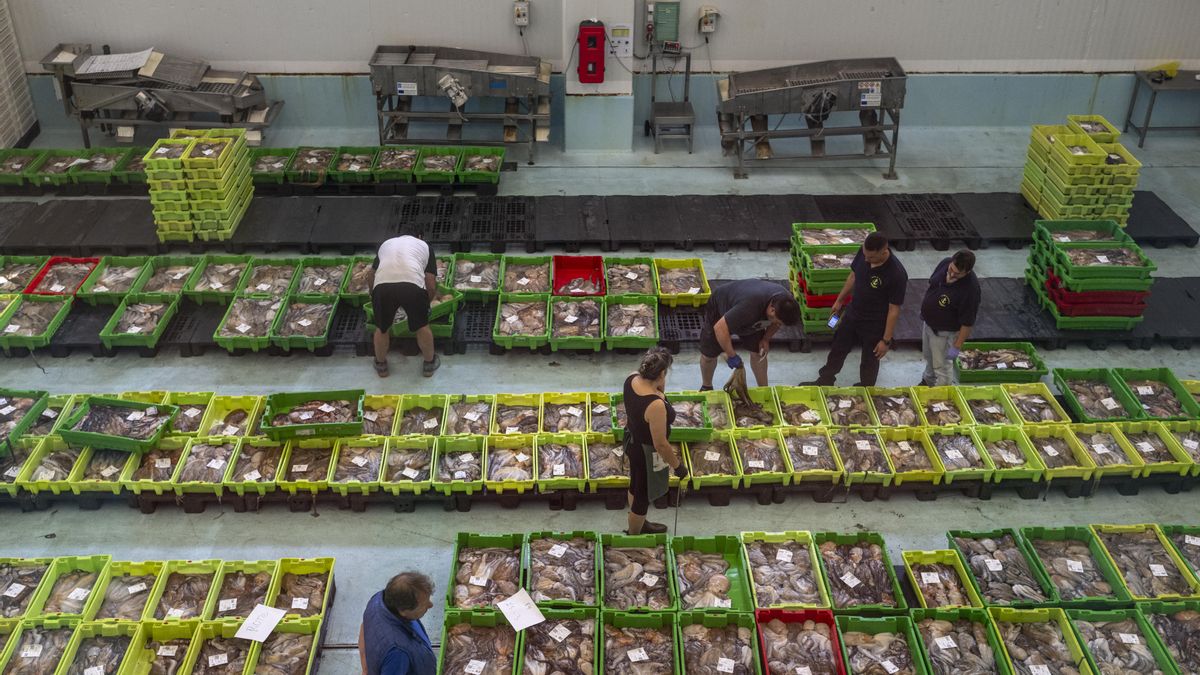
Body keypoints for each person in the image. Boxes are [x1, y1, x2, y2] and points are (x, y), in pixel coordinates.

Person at [803, 232, 908, 387]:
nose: (866, 259)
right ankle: (825, 380)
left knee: (869, 359)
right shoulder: (864, 252)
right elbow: (853, 276)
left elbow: (894, 309)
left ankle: (866, 389)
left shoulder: (897, 274)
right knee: (838, 349)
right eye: (865, 255)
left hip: (875, 322)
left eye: (871, 257)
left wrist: (886, 340)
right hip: (853, 312)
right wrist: (839, 301)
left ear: (884, 251)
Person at [621, 347, 687, 535]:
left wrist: (660, 385)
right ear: (661, 373)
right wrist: (677, 466)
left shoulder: (631, 378)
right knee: (642, 494)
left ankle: (639, 523)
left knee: (635, 484)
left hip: (632, 442)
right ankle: (634, 535)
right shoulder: (655, 405)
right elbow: (660, 444)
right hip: (646, 452)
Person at [699, 280, 801, 389]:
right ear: (772, 311)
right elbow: (720, 328)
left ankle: (764, 389)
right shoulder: (749, 306)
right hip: (720, 309)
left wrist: (766, 339)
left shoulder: (785, 302)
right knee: (709, 355)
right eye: (777, 322)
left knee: (759, 352)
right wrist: (731, 354)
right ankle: (706, 386)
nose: (777, 325)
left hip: (753, 313)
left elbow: (776, 323)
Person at [370, 235, 440, 378]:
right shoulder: (425, 246)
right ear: (419, 236)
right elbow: (431, 283)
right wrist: (426, 303)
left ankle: (381, 365)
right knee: (422, 326)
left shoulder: (386, 243)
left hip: (382, 286)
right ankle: (429, 364)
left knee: (382, 328)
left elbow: (370, 274)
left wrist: (373, 295)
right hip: (412, 285)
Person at [920, 250, 981, 386]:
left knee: (941, 367)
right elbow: (933, 282)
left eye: (958, 273)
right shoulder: (945, 263)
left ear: (968, 272)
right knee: (929, 357)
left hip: (943, 333)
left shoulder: (971, 290)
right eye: (951, 269)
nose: (952, 274)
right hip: (928, 324)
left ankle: (942, 393)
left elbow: (967, 323)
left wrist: (957, 345)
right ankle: (928, 381)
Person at [359, 572, 436, 675]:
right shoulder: (398, 653)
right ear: (404, 611)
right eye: (424, 605)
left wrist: (366, 669)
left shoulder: (378, 600)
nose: (431, 605)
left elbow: (364, 627)